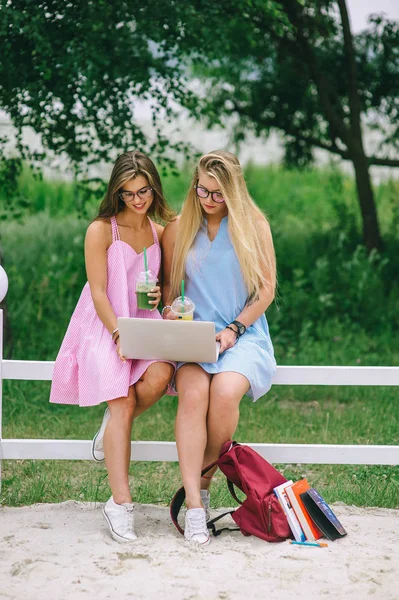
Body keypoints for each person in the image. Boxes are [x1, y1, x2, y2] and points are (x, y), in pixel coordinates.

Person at [50, 150, 175, 542]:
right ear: (116, 193)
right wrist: (119, 334)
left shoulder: (160, 231)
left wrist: (157, 297)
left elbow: (161, 285)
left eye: (144, 191)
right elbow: (101, 292)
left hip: (143, 321)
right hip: (104, 324)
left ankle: (111, 430)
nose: (138, 200)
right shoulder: (101, 230)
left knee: (161, 373)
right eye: (128, 193)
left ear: (154, 188)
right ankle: (120, 504)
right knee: (120, 399)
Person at [162, 150, 277, 546]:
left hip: (241, 333)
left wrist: (232, 330)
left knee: (225, 393)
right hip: (194, 336)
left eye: (218, 195)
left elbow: (265, 291)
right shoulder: (178, 229)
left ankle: (204, 483)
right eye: (202, 191)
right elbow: (167, 291)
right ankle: (194, 506)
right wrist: (168, 311)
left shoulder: (254, 226)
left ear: (233, 192)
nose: (208, 201)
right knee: (193, 396)